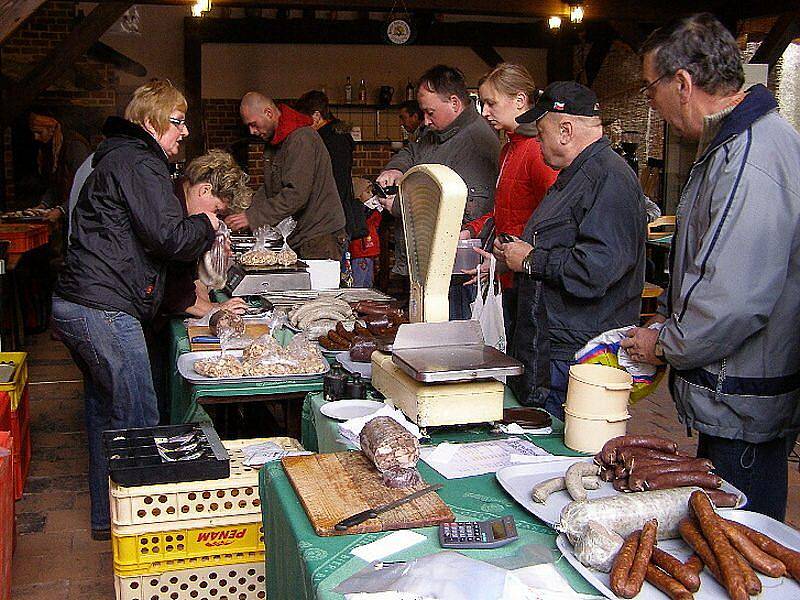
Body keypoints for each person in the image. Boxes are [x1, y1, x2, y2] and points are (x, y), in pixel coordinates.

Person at [620, 13, 800, 521]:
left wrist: (667, 345)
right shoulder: (729, 146)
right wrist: (672, 321)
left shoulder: (751, 156)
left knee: (737, 545)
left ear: (683, 82)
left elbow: (733, 302)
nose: (652, 103)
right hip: (735, 394)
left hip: (744, 404)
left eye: (650, 89)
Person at [52, 79, 218, 540]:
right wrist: (205, 223)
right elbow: (168, 238)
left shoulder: (118, 157)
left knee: (107, 414)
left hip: (80, 303)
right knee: (140, 419)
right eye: (177, 121)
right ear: (150, 122)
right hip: (103, 308)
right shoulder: (139, 161)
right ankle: (146, 536)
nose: (184, 132)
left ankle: (109, 521)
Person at [495, 81, 646, 412]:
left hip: (579, 357)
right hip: (554, 349)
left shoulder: (608, 179)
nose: (537, 140)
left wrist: (532, 260)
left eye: (541, 132)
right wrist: (514, 253)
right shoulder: (575, 175)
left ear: (565, 130)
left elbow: (595, 269)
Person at [376, 65, 500, 319]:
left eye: (430, 112)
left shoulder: (477, 140)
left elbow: (467, 207)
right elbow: (412, 152)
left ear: (454, 102)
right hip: (428, 265)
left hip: (455, 272)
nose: (425, 121)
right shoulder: (436, 131)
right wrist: (395, 169)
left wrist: (399, 206)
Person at [462, 63, 558, 350]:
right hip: (510, 272)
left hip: (529, 277)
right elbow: (505, 210)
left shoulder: (539, 151)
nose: (485, 112)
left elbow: (556, 217)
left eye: (491, 103)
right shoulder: (509, 148)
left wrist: (509, 260)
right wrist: (471, 230)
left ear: (519, 100)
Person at [226, 92, 347, 260]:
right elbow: (270, 188)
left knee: (318, 286)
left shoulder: (301, 139)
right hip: (303, 234)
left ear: (269, 113)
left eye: (253, 124)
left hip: (320, 235)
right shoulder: (276, 141)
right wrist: (246, 213)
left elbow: (296, 194)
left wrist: (252, 217)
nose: (252, 131)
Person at [295, 90, 367, 243]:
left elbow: (336, 183)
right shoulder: (332, 137)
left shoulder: (332, 140)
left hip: (331, 223)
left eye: (302, 118)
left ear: (316, 115)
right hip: (333, 218)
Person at [28, 111, 91, 223]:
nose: (36, 137)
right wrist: (43, 205)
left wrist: (62, 209)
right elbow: (55, 184)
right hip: (68, 213)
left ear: (51, 130)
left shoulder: (75, 147)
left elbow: (84, 185)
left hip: (82, 215)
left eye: (39, 132)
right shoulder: (51, 149)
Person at [348, 177, 382, 288]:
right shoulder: (357, 209)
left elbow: (375, 224)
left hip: (369, 250)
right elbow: (363, 222)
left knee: (368, 280)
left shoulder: (370, 209)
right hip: (360, 251)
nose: (371, 195)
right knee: (359, 281)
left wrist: (377, 211)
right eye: (367, 192)